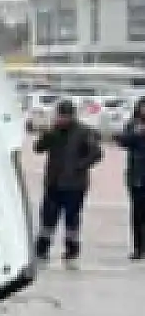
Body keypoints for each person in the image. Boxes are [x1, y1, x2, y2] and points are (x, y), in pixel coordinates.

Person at [32, 98, 105, 267]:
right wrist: (48, 134)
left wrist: (79, 166)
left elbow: (96, 153)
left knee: (71, 217)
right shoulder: (53, 132)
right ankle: (42, 247)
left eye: (65, 116)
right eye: (60, 115)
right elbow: (38, 149)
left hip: (75, 184)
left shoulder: (84, 132)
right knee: (48, 216)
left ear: (72, 116)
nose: (62, 119)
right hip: (53, 182)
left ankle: (72, 248)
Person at [115, 97, 145, 262]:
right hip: (137, 176)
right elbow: (121, 140)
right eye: (142, 107)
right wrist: (136, 134)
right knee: (137, 213)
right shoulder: (133, 124)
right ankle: (138, 247)